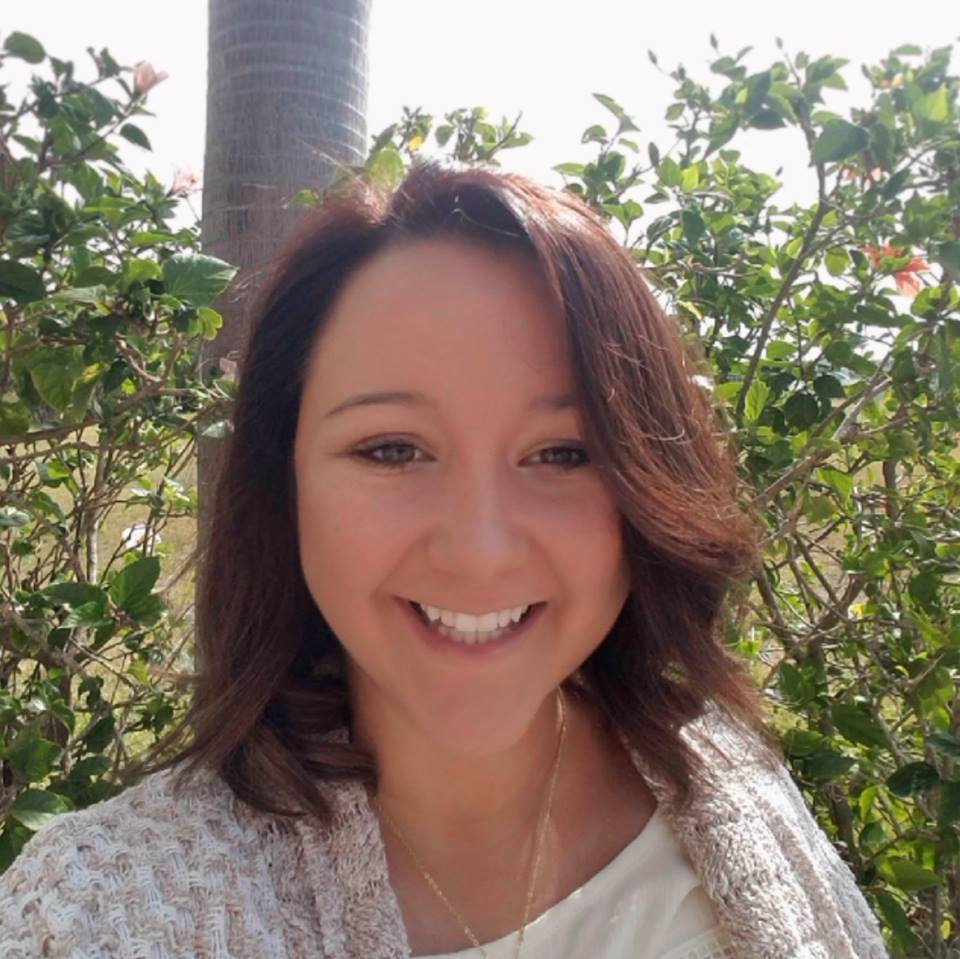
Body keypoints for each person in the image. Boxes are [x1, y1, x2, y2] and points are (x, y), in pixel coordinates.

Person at [1, 161, 888, 959]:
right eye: (391, 449)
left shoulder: (738, 790)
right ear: (286, 479)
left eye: (562, 453)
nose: (479, 548)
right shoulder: (94, 913)